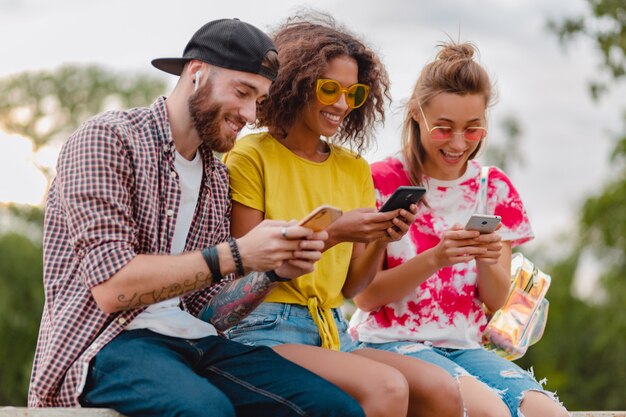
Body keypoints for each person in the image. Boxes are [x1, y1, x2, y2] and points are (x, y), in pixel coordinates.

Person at [28, 18, 367, 417]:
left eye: (258, 100)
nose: (250, 114)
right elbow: (111, 287)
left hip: (195, 341)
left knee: (334, 408)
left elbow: (208, 311)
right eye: (242, 92)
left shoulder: (216, 177)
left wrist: (272, 272)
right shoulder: (107, 139)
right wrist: (238, 254)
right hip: (108, 343)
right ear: (197, 73)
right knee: (207, 410)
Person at [207, 13, 463, 417]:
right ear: (295, 84)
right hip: (262, 327)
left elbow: (350, 288)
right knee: (387, 387)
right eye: (329, 89)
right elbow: (246, 274)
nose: (342, 104)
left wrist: (382, 234)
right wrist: (335, 234)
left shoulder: (354, 168)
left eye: (353, 94)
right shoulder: (252, 155)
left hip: (332, 329)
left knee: (441, 390)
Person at [349, 41, 570, 417]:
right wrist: (436, 258)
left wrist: (486, 258)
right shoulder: (381, 182)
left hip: (464, 345)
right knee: (490, 413)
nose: (457, 144)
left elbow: (498, 303)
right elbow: (366, 298)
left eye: (472, 131)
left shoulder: (493, 187)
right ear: (417, 116)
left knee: (549, 414)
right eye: (443, 129)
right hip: (387, 340)